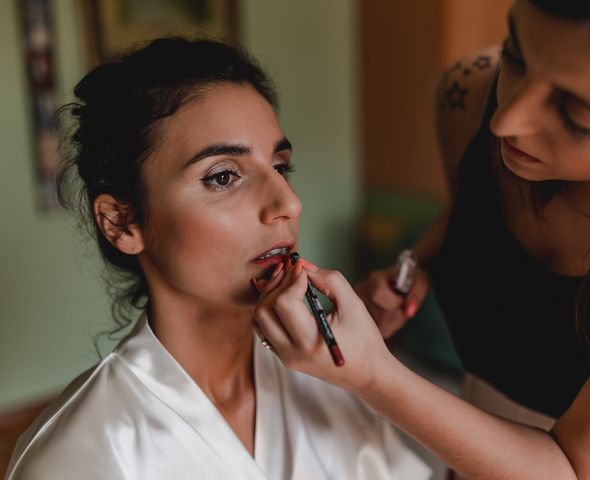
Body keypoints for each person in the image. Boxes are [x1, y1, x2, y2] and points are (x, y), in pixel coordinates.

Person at [5, 38, 432, 480]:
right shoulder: (80, 456)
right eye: (224, 176)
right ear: (122, 223)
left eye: (280, 167)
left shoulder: (332, 380)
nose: (288, 203)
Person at [253, 0, 590, 478]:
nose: (507, 121)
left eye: (576, 113)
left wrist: (374, 374)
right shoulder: (470, 94)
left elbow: (575, 471)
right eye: (516, 56)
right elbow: (468, 217)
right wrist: (417, 268)